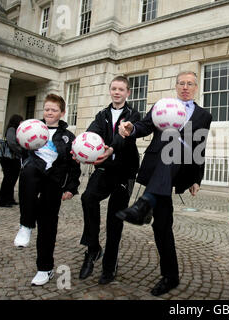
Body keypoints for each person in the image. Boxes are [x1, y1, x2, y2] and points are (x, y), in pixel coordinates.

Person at [116, 71, 212, 296]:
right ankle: (171, 276)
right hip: (158, 170)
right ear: (176, 85)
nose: (185, 87)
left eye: (190, 84)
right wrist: (131, 129)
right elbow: (145, 126)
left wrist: (196, 178)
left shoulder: (203, 115)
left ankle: (144, 203)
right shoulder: (162, 106)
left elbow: (200, 146)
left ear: (196, 87)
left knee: (176, 145)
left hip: (182, 167)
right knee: (161, 226)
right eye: (181, 83)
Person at [75, 76, 140, 285]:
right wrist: (79, 150)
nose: (117, 92)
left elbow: (124, 137)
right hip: (103, 169)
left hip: (124, 171)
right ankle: (93, 248)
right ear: (110, 91)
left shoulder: (133, 114)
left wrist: (111, 147)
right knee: (87, 198)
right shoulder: (101, 114)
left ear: (128, 92)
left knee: (115, 219)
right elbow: (91, 135)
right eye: (114, 88)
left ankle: (109, 266)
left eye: (121, 89)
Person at [15, 94, 81, 285]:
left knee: (47, 224)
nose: (49, 113)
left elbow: (73, 165)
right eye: (46, 109)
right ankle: (26, 225)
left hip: (54, 181)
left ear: (62, 112)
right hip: (34, 174)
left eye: (53, 110)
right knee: (27, 174)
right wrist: (22, 144)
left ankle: (45, 269)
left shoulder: (68, 137)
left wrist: (71, 188)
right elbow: (21, 153)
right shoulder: (32, 128)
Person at [0, 114, 23, 208]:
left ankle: (10, 199)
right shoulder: (12, 129)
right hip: (9, 159)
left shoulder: (14, 129)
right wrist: (21, 151)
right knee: (8, 180)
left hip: (14, 159)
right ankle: (4, 201)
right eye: (20, 121)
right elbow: (12, 143)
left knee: (12, 180)